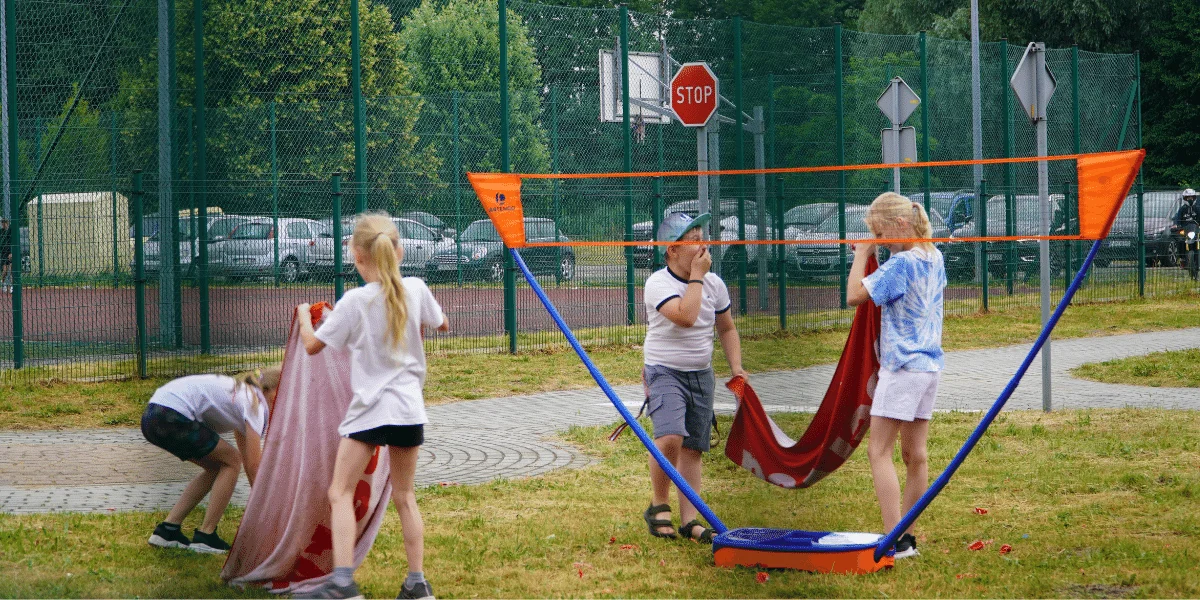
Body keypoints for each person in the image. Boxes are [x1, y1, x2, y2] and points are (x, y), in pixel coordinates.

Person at [297, 212, 449, 600]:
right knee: (405, 496)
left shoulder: (354, 301)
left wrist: (303, 318)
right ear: (398, 250)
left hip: (369, 412)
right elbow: (442, 324)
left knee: (339, 492)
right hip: (409, 411)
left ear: (357, 257)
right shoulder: (415, 288)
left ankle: (343, 583)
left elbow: (313, 346)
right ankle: (418, 583)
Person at [846, 192, 947, 560]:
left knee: (879, 451)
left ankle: (893, 537)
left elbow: (854, 294)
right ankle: (908, 537)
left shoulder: (901, 263)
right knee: (915, 455)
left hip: (902, 368)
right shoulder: (934, 256)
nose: (879, 242)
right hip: (928, 368)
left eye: (881, 234)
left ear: (901, 226)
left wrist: (861, 255)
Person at [640, 211, 746, 544]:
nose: (702, 246)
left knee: (693, 449)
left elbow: (726, 328)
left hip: (701, 375)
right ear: (672, 250)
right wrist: (698, 277)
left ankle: (690, 520)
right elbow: (685, 317)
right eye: (693, 240)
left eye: (703, 237)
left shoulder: (715, 284)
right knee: (670, 436)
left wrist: (737, 368)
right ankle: (659, 505)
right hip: (664, 371)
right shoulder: (658, 282)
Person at [141, 366, 281, 554]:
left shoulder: (243, 395)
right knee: (231, 461)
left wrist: (260, 501)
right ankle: (206, 536)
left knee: (219, 466)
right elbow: (255, 465)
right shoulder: (256, 404)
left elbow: (250, 463)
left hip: (154, 415)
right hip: (170, 414)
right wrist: (268, 508)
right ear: (272, 390)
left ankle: (167, 530)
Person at [0, 218, 12, 294]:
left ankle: (12, 286)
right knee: (5, 271)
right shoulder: (1, 232)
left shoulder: (10, 231)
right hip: (3, 253)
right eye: (3, 223)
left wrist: (11, 252)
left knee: (11, 271)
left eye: (5, 223)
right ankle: (3, 284)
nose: (4, 224)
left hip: (10, 253)